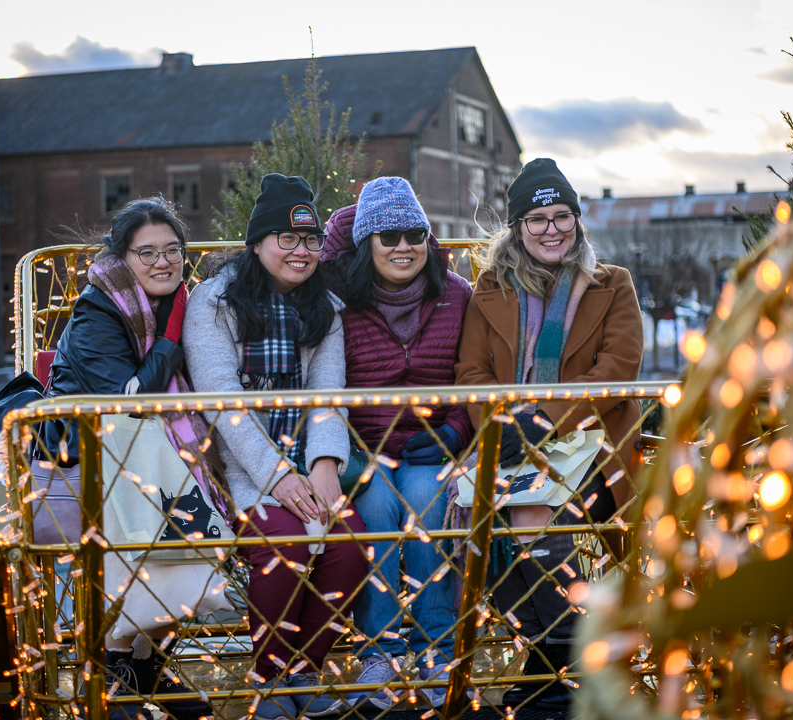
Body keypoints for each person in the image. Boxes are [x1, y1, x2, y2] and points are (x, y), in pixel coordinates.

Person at [454, 158, 644, 712]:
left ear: (578, 222)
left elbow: (618, 368)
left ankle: (561, 664)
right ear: (517, 228)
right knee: (472, 520)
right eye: (537, 219)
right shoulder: (488, 290)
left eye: (563, 216)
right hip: (508, 440)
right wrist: (504, 425)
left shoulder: (612, 285)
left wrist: (541, 417)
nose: (552, 229)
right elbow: (471, 375)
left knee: (534, 516)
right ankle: (553, 660)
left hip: (591, 442)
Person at [185, 174, 366, 720]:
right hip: (236, 467)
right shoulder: (213, 302)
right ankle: (269, 680)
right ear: (258, 243)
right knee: (283, 548)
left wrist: (325, 466)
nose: (301, 251)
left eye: (310, 240)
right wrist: (276, 477)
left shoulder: (325, 310)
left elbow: (326, 397)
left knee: (353, 548)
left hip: (307, 460)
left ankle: (302, 670)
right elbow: (224, 405)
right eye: (286, 239)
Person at [41, 196, 227, 720]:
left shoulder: (180, 301)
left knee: (183, 505)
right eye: (148, 253)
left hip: (150, 450)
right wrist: (171, 338)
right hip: (92, 449)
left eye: (173, 250)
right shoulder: (98, 308)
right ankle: (126, 662)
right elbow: (129, 401)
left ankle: (140, 662)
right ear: (123, 257)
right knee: (156, 510)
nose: (163, 262)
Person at [320, 177, 473, 710]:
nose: (402, 246)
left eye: (414, 234)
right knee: (379, 506)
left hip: (434, 443)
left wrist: (455, 429)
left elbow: (472, 374)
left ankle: (437, 652)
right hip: (364, 447)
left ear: (428, 240)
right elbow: (328, 382)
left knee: (430, 504)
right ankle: (379, 654)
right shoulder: (341, 299)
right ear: (366, 244)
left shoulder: (455, 293)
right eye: (387, 236)